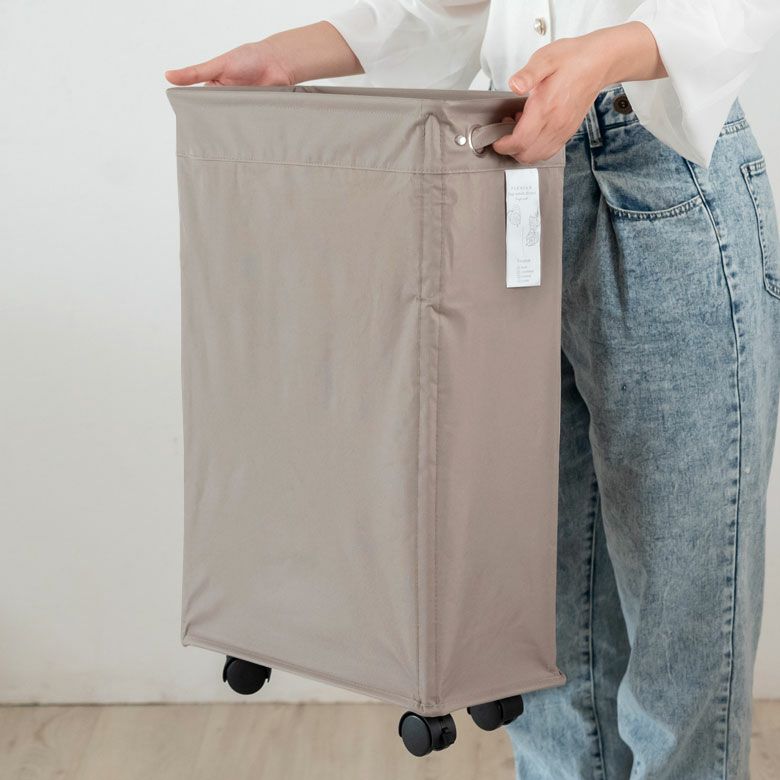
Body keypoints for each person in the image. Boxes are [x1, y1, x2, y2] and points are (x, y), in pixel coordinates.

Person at [166, 3, 780, 777]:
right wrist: (290, 57)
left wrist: (603, 55)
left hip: (659, 168)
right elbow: (450, 9)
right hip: (507, 165)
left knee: (678, 621)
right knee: (531, 602)